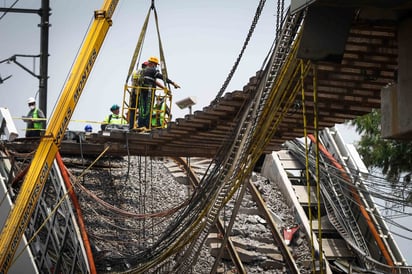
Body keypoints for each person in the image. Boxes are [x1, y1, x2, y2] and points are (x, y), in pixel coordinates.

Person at [138, 56, 180, 129]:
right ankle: (147, 125)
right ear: (153, 64)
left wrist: (164, 88)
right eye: (156, 65)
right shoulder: (152, 70)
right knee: (148, 108)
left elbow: (154, 81)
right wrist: (173, 83)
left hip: (142, 91)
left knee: (142, 108)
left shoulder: (143, 71)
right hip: (149, 92)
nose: (156, 66)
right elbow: (162, 77)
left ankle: (140, 125)